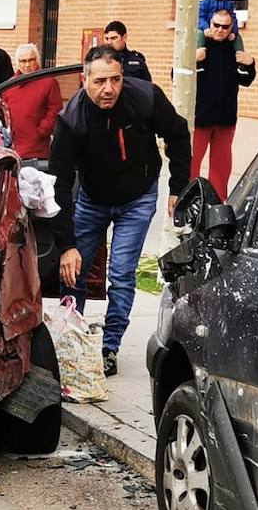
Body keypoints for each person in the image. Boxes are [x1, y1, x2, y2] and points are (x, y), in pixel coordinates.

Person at [49, 44, 190, 377]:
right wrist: (66, 245)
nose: (108, 88)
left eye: (114, 79)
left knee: (121, 273)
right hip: (93, 198)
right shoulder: (71, 120)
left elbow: (179, 133)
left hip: (137, 198)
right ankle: (73, 342)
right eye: (99, 81)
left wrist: (177, 188)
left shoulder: (144, 98)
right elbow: (58, 184)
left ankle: (109, 348)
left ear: (122, 77)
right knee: (73, 272)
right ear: (84, 80)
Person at [191, 10, 256, 200]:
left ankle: (216, 208)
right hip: (199, 119)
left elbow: (245, 80)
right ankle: (188, 206)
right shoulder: (198, 46)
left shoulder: (234, 49)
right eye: (216, 25)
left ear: (231, 27)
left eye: (225, 26)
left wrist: (250, 64)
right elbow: (175, 75)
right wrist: (193, 60)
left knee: (221, 170)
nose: (220, 30)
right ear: (209, 24)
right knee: (191, 166)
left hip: (225, 120)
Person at [0, 43, 62, 159]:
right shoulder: (9, 86)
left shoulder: (49, 82)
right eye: (23, 61)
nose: (27, 65)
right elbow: (4, 114)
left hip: (38, 150)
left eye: (31, 60)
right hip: (14, 149)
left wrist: (41, 132)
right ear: (17, 63)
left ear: (37, 60)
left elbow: (55, 111)